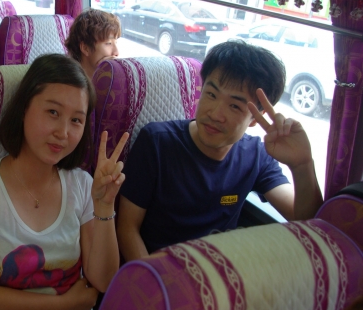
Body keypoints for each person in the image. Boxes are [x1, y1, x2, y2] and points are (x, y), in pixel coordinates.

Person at [0, 53, 130, 310]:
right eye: (53, 112)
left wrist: (104, 206)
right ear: (23, 109)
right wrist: (67, 305)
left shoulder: (83, 185)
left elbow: (103, 280)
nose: (63, 132)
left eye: (76, 120)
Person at [117, 40, 324, 261]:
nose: (215, 114)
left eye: (234, 106)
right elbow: (127, 228)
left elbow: (307, 223)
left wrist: (302, 166)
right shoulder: (157, 142)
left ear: (256, 118)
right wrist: (155, 279)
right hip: (158, 269)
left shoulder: (256, 155)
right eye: (211, 95)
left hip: (219, 272)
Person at [66, 8, 121, 79]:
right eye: (108, 43)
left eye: (116, 42)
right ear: (85, 48)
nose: (116, 52)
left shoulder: (112, 80)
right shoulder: (68, 82)